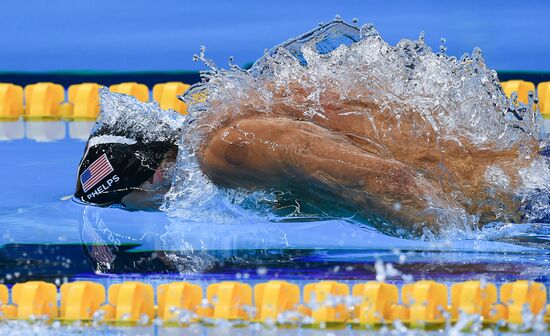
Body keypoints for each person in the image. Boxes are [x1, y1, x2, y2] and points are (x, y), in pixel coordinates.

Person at [75, 21, 542, 234]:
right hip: (522, 185)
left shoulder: (226, 150)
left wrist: (463, 257)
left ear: (154, 175)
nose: (152, 213)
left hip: (526, 205)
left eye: (135, 208)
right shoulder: (235, 123)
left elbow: (389, 181)